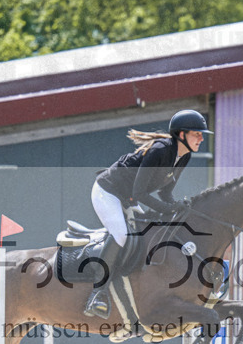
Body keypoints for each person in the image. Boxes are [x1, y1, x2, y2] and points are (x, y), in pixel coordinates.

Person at [84, 109, 213, 318]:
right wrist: (168, 209)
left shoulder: (184, 156)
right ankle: (97, 293)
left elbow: (165, 192)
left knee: (148, 235)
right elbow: (140, 193)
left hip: (128, 198)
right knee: (121, 235)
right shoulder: (160, 150)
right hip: (107, 192)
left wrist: (178, 206)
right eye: (196, 133)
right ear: (181, 135)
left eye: (201, 134)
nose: (201, 138)